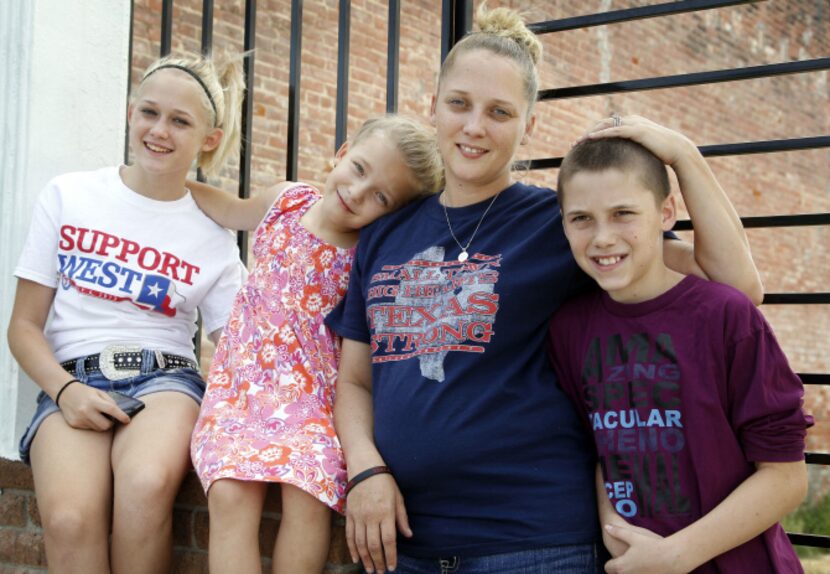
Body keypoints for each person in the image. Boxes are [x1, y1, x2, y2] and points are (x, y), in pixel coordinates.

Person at [326, 5, 763, 574]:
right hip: (403, 544)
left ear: (529, 125)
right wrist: (365, 471)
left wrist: (680, 153)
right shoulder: (386, 234)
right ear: (432, 105)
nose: (474, 126)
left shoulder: (564, 221)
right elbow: (356, 380)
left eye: (500, 112)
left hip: (533, 545)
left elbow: (737, 284)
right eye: (459, 103)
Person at [7, 52, 246, 573]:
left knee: (145, 484)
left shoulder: (212, 235)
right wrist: (65, 392)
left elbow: (240, 347)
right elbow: (23, 327)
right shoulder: (68, 195)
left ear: (208, 137)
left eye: (180, 121)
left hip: (166, 380)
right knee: (69, 520)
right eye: (150, 113)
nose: (160, 131)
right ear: (131, 112)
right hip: (70, 377)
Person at [187, 114, 443, 574]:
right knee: (229, 495)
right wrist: (163, 185)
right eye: (360, 169)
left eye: (380, 197)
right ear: (343, 152)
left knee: (307, 499)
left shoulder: (367, 256)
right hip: (240, 391)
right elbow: (229, 208)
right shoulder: (285, 201)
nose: (357, 192)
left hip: (312, 403)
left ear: (393, 213)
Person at [549, 128, 810, 574]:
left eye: (623, 213)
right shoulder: (569, 328)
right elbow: (601, 450)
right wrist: (617, 534)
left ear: (666, 212)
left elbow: (786, 477)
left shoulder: (723, 315)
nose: (603, 237)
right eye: (582, 219)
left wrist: (677, 555)